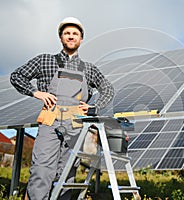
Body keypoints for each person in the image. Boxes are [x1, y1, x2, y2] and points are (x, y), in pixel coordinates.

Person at [10, 17, 114, 200]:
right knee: (42, 169)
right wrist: (36, 92)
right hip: (50, 121)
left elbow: (108, 89)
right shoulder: (45, 60)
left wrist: (94, 107)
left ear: (81, 39)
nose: (71, 36)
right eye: (67, 33)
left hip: (75, 125)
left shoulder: (89, 69)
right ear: (61, 38)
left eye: (75, 34)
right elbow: (17, 76)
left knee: (67, 172)